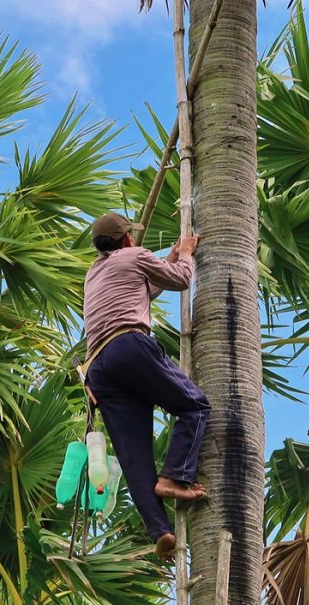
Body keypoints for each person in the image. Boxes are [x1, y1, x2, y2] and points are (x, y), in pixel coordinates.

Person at [80, 212, 209, 559]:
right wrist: (184, 253)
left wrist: (165, 258)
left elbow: (145, 287)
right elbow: (181, 279)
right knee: (194, 405)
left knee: (134, 456)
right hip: (129, 346)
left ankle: (160, 531)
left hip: (100, 368)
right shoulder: (135, 256)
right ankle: (174, 476)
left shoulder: (94, 273)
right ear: (126, 239)